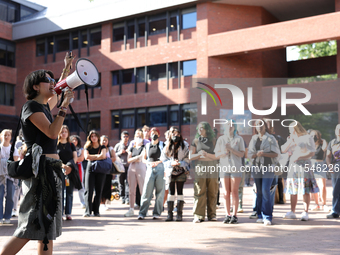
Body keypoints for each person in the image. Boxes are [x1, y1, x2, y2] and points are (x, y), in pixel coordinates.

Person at [1, 51, 74, 254]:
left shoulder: (42, 106)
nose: (53, 83)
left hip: (51, 171)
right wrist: (63, 109)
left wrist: (66, 68)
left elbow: (58, 89)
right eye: (47, 80)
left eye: (53, 80)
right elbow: (52, 133)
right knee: (31, 225)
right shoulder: (31, 107)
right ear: (35, 86)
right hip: (40, 173)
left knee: (47, 228)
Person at [282, 121, 319, 221]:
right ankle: (292, 212)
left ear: (296, 128)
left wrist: (299, 156)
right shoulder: (291, 138)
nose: (290, 132)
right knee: (293, 189)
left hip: (304, 166)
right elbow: (283, 150)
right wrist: (290, 141)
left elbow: (312, 152)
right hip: (293, 167)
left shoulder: (307, 137)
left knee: (305, 189)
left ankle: (305, 212)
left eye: (291, 130)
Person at [247, 119, 281, 226]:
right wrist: (256, 154)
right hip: (256, 167)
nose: (260, 127)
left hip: (268, 167)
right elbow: (249, 155)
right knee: (259, 192)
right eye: (257, 125)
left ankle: (267, 216)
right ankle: (260, 215)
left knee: (266, 190)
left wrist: (264, 154)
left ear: (265, 126)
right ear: (255, 127)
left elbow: (276, 154)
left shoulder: (271, 138)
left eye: (261, 125)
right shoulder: (253, 138)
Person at [214, 120, 245, 224]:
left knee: (235, 192)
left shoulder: (239, 139)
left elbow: (241, 154)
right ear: (225, 127)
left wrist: (231, 149)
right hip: (224, 168)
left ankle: (235, 215)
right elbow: (217, 155)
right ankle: (227, 214)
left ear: (235, 127)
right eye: (228, 125)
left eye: (232, 125)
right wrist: (224, 152)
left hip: (236, 168)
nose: (230, 126)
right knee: (226, 193)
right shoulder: (221, 139)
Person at [190, 122, 219, 223]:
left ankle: (212, 215)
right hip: (200, 167)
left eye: (202, 128)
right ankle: (198, 215)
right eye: (198, 128)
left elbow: (218, 156)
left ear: (207, 129)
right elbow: (190, 156)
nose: (199, 130)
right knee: (199, 190)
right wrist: (199, 155)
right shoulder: (196, 141)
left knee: (213, 191)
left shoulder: (214, 140)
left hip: (212, 167)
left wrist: (207, 154)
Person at [138, 127, 165, 220]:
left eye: (155, 132)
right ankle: (142, 213)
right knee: (146, 191)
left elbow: (166, 157)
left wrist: (158, 162)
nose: (154, 134)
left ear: (159, 134)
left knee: (160, 192)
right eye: (152, 133)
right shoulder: (147, 145)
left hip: (160, 168)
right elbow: (143, 159)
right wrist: (149, 163)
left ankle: (156, 213)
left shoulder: (163, 144)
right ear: (149, 134)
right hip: (150, 169)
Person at [163, 128, 190, 221]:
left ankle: (179, 214)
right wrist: (171, 163)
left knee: (180, 192)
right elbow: (163, 160)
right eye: (174, 134)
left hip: (181, 171)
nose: (176, 136)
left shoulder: (185, 145)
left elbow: (188, 158)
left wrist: (180, 163)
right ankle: (169, 214)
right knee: (171, 192)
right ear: (170, 135)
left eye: (178, 134)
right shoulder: (166, 145)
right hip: (170, 172)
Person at [83, 130, 108, 217]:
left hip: (100, 169)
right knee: (88, 190)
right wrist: (98, 156)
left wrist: (92, 157)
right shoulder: (87, 147)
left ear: (98, 137)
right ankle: (87, 211)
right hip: (90, 169)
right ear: (90, 138)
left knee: (98, 190)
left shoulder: (102, 147)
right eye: (92, 136)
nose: (94, 138)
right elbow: (86, 157)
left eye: (95, 136)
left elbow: (103, 156)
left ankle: (96, 211)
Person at [57, 125, 77, 221]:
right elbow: (55, 158)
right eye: (62, 131)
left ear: (68, 133)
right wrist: (63, 166)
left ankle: (68, 213)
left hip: (70, 171)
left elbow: (75, 158)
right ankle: (60, 213)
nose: (64, 133)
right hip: (59, 171)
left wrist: (68, 166)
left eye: (65, 131)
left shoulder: (71, 145)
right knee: (60, 192)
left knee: (69, 193)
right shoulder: (55, 145)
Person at [124, 129, 146, 217]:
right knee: (131, 189)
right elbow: (128, 160)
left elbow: (142, 158)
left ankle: (144, 208)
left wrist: (135, 158)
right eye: (137, 136)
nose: (138, 138)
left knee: (142, 188)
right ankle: (131, 208)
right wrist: (136, 158)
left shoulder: (145, 147)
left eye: (140, 137)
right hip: (131, 168)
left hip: (141, 167)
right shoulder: (131, 147)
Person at [0, 129, 19, 224]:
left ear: (11, 137)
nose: (6, 137)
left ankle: (7, 216)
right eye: (5, 135)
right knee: (0, 196)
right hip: (0, 176)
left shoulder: (13, 149)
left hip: (10, 176)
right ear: (1, 136)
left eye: (8, 135)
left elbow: (15, 162)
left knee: (10, 196)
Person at [310, 130, 329, 212]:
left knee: (323, 186)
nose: (314, 137)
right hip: (311, 165)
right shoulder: (310, 144)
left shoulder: (322, 143)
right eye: (312, 135)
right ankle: (317, 204)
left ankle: (324, 204)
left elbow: (325, 148)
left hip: (320, 164)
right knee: (314, 186)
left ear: (319, 136)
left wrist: (323, 140)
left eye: (316, 135)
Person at [325, 124, 340, 218]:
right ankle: (335, 210)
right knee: (336, 190)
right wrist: (330, 166)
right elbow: (328, 156)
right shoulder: (332, 142)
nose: (339, 131)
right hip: (336, 166)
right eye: (337, 129)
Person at [100, 135, 116, 211]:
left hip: (108, 171)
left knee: (107, 187)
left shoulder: (110, 149)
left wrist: (106, 159)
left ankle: (104, 203)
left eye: (105, 140)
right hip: (99, 171)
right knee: (100, 187)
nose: (104, 142)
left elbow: (114, 158)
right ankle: (100, 203)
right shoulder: (98, 148)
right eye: (103, 140)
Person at [114, 131, 130, 204]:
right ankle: (122, 197)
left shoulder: (131, 145)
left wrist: (129, 151)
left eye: (127, 136)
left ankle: (127, 198)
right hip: (120, 167)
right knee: (121, 183)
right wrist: (120, 152)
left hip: (129, 166)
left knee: (128, 182)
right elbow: (113, 155)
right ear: (121, 137)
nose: (125, 138)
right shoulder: (118, 145)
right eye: (124, 136)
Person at [70, 135, 86, 208]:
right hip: (69, 167)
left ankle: (82, 202)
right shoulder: (68, 148)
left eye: (75, 140)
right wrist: (76, 159)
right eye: (72, 140)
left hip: (79, 167)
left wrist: (73, 159)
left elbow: (81, 158)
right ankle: (66, 203)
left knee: (80, 184)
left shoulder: (81, 149)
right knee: (68, 185)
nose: (74, 141)